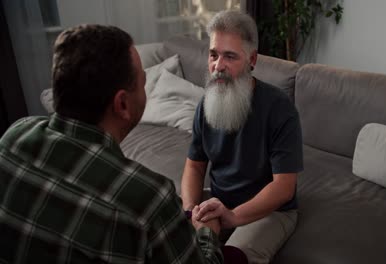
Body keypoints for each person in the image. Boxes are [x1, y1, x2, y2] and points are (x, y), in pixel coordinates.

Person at [0, 24, 223, 264]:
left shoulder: (14, 136)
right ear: (122, 105)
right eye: (143, 82)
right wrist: (207, 232)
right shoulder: (148, 198)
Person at [181, 10, 303, 264]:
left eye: (230, 56)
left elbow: (283, 187)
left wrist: (234, 216)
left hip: (270, 210)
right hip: (219, 198)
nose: (218, 66)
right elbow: (194, 165)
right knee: (178, 242)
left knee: (234, 258)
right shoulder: (206, 104)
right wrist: (192, 210)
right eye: (213, 55)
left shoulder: (280, 108)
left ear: (252, 59)